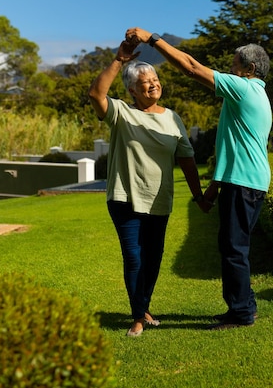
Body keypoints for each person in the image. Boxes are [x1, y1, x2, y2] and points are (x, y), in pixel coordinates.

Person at [125, 28, 272, 330]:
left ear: (250, 70)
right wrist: (211, 192)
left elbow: (191, 68)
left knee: (234, 249)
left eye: (235, 65)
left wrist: (151, 39)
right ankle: (244, 306)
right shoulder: (255, 94)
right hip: (245, 180)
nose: (230, 70)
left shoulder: (244, 88)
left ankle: (242, 314)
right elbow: (232, 151)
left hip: (245, 184)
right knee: (233, 246)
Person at [88, 39, 212, 337]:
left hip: (159, 200)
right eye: (145, 83)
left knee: (153, 258)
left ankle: (142, 307)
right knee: (134, 257)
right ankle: (138, 317)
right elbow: (96, 94)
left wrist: (199, 197)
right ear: (132, 90)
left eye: (155, 80)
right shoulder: (121, 113)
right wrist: (119, 59)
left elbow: (187, 160)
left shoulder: (173, 119)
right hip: (125, 197)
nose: (152, 85)